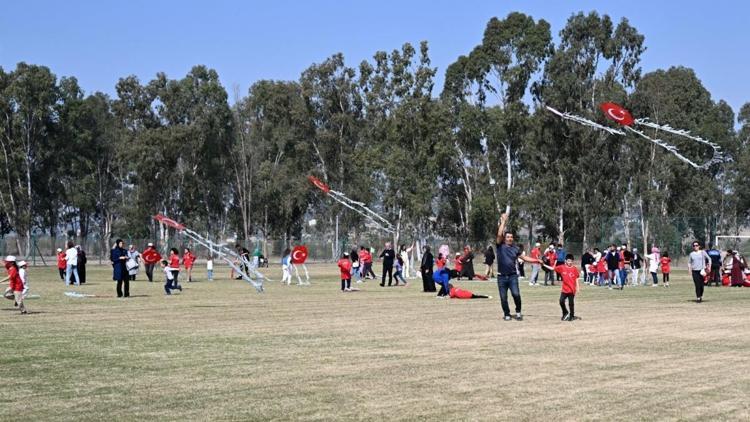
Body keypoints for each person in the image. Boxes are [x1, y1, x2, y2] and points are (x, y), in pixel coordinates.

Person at [496, 213, 542, 321]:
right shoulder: (500, 246)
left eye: (511, 237)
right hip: (501, 277)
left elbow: (525, 258)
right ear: (504, 238)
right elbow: (499, 234)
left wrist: (537, 260)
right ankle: (506, 314)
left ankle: (518, 312)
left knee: (516, 294)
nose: (510, 238)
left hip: (512, 276)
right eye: (508, 237)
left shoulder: (515, 249)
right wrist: (503, 221)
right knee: (503, 298)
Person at [543, 254, 580, 321]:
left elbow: (577, 278)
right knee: (561, 301)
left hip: (572, 290)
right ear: (565, 261)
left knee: (571, 303)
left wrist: (578, 287)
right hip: (565, 289)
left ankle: (572, 316)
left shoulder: (574, 269)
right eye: (568, 261)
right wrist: (544, 265)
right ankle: (565, 312)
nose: (570, 262)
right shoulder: (562, 267)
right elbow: (552, 268)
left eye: (571, 261)